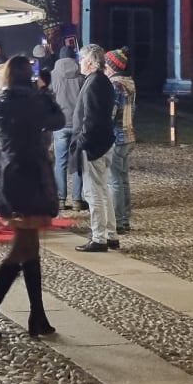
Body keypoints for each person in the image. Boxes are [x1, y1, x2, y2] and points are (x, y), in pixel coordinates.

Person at [0, 55, 65, 339]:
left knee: (30, 247)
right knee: (22, 248)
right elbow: (58, 120)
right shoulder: (36, 101)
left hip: (9, 174)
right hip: (32, 176)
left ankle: (38, 315)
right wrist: (44, 94)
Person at [71, 43, 119, 252]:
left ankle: (99, 237)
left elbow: (91, 120)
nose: (80, 63)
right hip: (103, 143)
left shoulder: (94, 84)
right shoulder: (101, 81)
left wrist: (81, 143)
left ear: (89, 62)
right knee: (103, 190)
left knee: (94, 193)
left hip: (94, 147)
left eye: (82, 59)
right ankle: (110, 234)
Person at [105, 47, 136, 234]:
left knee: (114, 181)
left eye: (106, 64)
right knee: (123, 180)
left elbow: (111, 113)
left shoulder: (114, 85)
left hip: (117, 136)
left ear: (112, 66)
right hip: (129, 134)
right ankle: (125, 218)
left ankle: (118, 220)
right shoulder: (130, 83)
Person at [51, 39, 84, 210]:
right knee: (76, 161)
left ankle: (61, 199)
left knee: (60, 162)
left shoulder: (53, 75)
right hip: (77, 123)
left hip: (60, 123)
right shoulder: (81, 75)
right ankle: (77, 199)